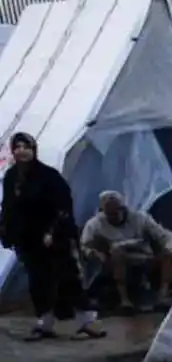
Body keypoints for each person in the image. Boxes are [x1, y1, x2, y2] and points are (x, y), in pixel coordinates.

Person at [0, 131, 104, 340]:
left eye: (26, 147)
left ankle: (87, 321)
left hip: (53, 237)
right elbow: (9, 206)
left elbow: (63, 206)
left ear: (33, 149)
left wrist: (51, 231)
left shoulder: (48, 176)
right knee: (39, 280)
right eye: (18, 147)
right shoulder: (12, 176)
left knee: (67, 277)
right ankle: (45, 322)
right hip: (27, 238)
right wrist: (7, 231)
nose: (22, 151)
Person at [81, 190, 172, 314]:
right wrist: (94, 253)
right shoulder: (94, 224)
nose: (115, 215)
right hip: (115, 261)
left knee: (169, 255)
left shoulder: (140, 218)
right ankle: (124, 300)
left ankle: (162, 297)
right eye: (110, 213)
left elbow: (164, 236)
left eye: (117, 210)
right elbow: (85, 245)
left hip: (145, 258)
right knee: (118, 253)